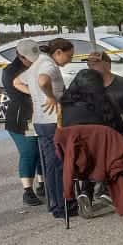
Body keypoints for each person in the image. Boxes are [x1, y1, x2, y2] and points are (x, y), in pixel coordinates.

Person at [59, 68, 123, 218]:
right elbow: (120, 128)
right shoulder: (105, 103)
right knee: (117, 150)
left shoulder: (65, 106)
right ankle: (104, 188)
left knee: (88, 154)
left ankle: (86, 192)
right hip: (106, 159)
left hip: (77, 159)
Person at [25, 37, 76, 218]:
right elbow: (43, 81)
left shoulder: (37, 62)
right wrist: (50, 96)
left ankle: (55, 205)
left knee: (50, 166)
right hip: (52, 121)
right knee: (58, 164)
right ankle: (62, 206)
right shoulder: (49, 65)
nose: (69, 60)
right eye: (68, 56)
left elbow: (22, 82)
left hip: (40, 120)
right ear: (58, 53)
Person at [2, 39, 43, 206]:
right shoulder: (11, 72)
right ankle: (27, 190)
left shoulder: (38, 64)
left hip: (39, 116)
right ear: (19, 56)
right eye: (28, 58)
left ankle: (42, 184)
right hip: (21, 118)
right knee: (29, 152)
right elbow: (21, 95)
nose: (31, 60)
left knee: (41, 151)